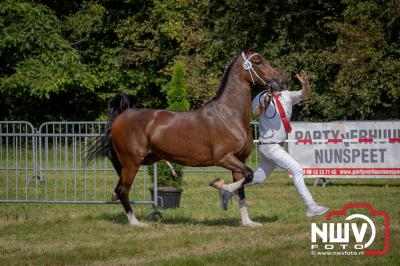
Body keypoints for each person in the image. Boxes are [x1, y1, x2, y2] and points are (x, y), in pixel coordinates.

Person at [215, 70, 328, 218]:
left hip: (277, 145)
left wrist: (305, 84)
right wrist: (266, 101)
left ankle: (227, 188)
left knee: (259, 178)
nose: (279, 83)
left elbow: (304, 94)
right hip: (270, 145)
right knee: (297, 170)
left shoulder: (286, 96)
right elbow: (256, 112)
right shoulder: (260, 98)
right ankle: (311, 206)